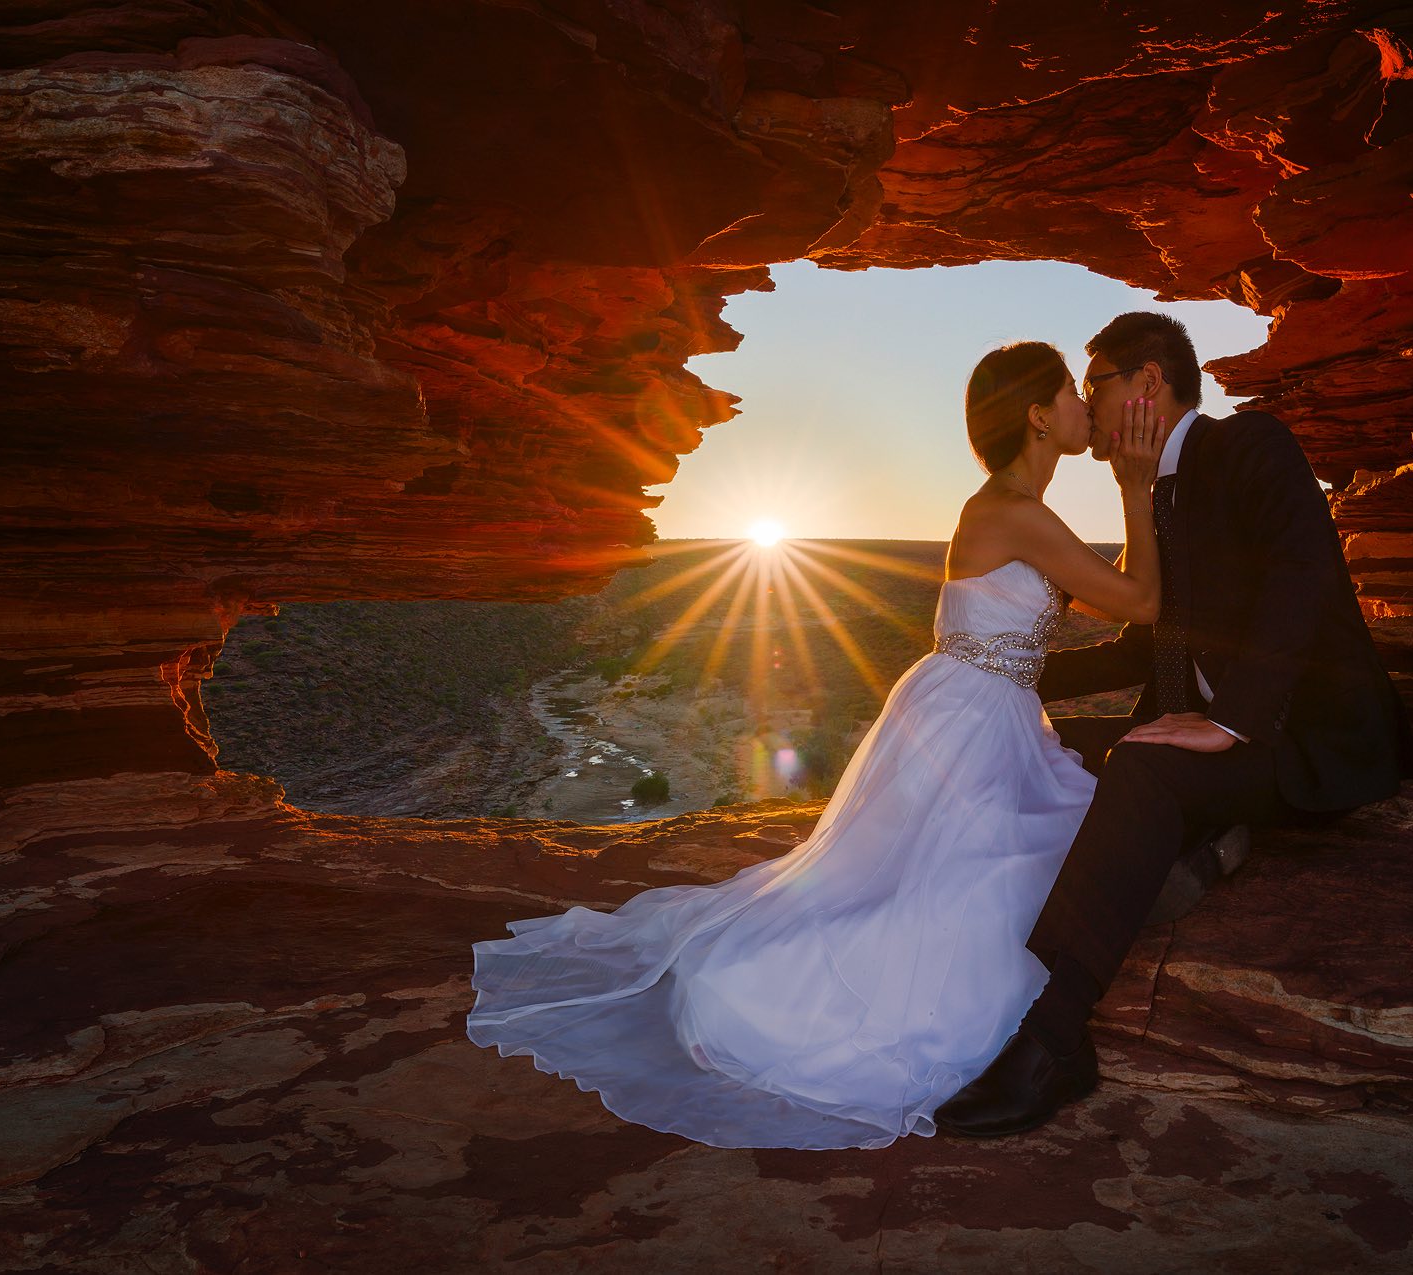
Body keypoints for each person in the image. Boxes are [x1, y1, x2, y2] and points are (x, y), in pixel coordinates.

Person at [465, 341, 1171, 1150]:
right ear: (1039, 416)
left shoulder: (1017, 511)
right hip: (972, 715)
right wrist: (1137, 487)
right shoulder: (1015, 513)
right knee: (967, 883)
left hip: (975, 709)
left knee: (978, 862)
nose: (1089, 405)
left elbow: (1109, 588)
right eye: (1072, 395)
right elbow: (1141, 599)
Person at [933, 312, 1413, 1138]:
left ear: (1147, 385)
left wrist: (1230, 722)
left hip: (1296, 745)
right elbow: (1147, 636)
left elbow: (1303, 578)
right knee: (1040, 755)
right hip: (1215, 740)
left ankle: (1053, 1041)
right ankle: (1202, 839)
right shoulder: (1158, 496)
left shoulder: (1249, 447)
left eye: (1098, 385)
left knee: (1141, 767)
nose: (1088, 403)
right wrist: (998, 678)